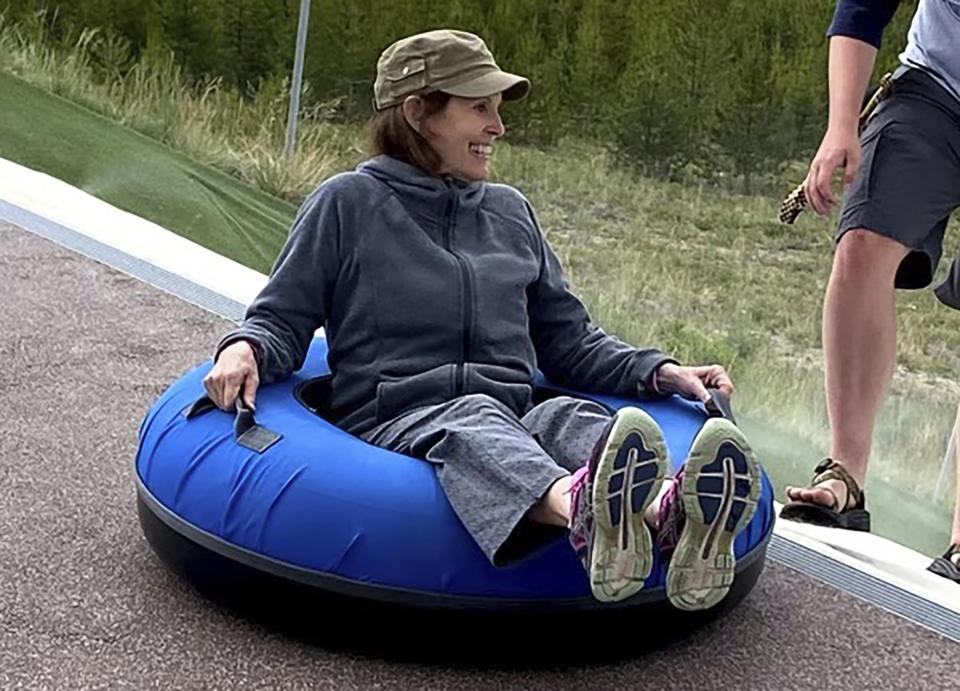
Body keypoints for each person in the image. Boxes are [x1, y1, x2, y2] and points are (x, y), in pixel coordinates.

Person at [203, 29, 761, 610]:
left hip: (512, 412)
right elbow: (281, 317)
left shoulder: (510, 213)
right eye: (479, 109)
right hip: (398, 417)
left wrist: (663, 372)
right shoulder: (348, 204)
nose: (499, 127)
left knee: (569, 418)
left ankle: (668, 514)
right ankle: (586, 513)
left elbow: (569, 342)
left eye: (496, 109)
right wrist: (245, 347)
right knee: (473, 421)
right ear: (419, 113)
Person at [782, 0, 960, 551]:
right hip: (937, 88)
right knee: (862, 242)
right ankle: (845, 476)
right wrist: (841, 127)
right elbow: (861, 10)